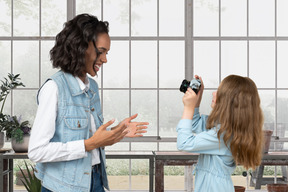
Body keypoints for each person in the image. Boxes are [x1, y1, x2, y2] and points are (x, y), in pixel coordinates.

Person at [28, 13, 148, 192]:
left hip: (95, 180)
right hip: (63, 187)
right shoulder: (54, 88)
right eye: (101, 52)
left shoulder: (91, 86)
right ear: (80, 47)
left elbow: (87, 134)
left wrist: (117, 131)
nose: (105, 59)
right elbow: (37, 151)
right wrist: (88, 145)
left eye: (106, 53)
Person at [177, 75, 264, 192]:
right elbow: (195, 124)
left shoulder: (223, 134)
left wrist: (188, 107)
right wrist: (197, 101)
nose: (213, 93)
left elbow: (184, 143)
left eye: (219, 92)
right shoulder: (223, 126)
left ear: (229, 101)